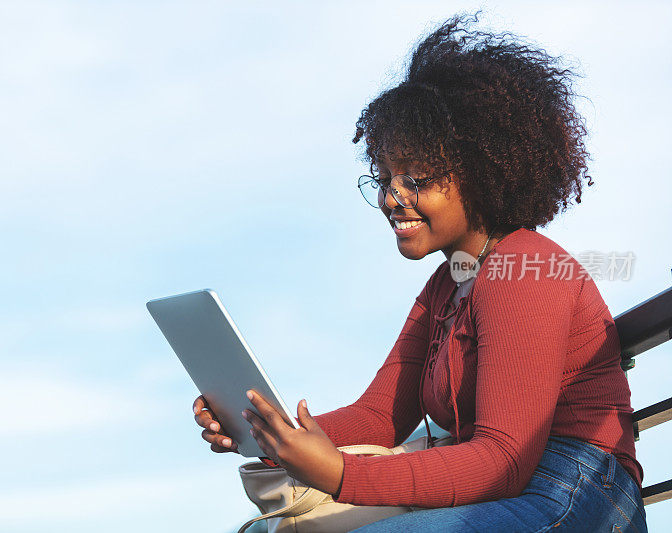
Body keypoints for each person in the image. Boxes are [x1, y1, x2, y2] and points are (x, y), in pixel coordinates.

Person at [193, 12, 647, 532]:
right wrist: (267, 432)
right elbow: (376, 419)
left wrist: (340, 473)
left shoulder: (528, 269)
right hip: (506, 487)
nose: (392, 198)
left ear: (481, 168)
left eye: (415, 178)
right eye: (384, 178)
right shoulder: (446, 287)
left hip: (576, 492)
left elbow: (502, 461)